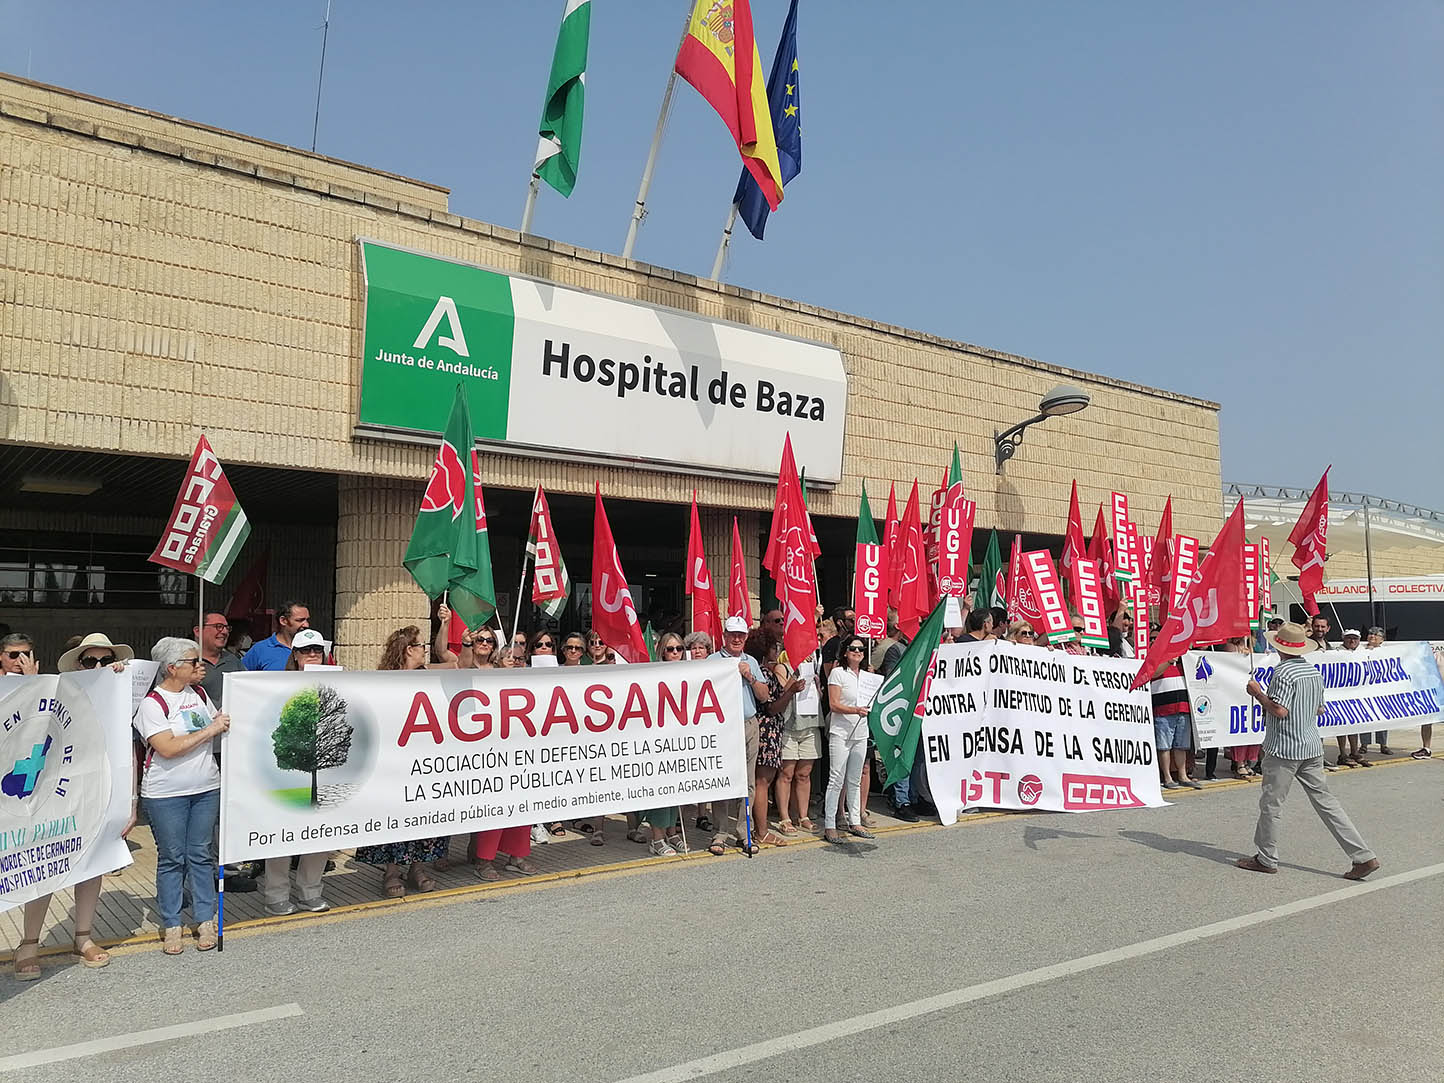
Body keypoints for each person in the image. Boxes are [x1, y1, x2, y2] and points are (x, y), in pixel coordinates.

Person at [12, 635, 131, 979]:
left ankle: (83, 937)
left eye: (105, 660)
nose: (98, 667)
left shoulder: (117, 693)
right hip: (54, 792)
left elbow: (127, 747)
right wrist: (31, 684)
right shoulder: (57, 689)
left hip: (97, 790)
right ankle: (29, 943)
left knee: (93, 864)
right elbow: (29, 730)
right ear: (78, 664)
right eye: (90, 661)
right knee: (45, 864)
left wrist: (131, 801)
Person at [1236, 622, 1380, 880]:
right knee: (1327, 803)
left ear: (1280, 647)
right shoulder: (1312, 671)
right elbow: (1319, 709)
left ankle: (1266, 857)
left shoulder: (1283, 673)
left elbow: (1280, 710)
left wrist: (1258, 694)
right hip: (1311, 745)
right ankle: (1362, 855)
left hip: (1284, 748)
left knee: (1271, 805)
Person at [134, 637, 229, 953]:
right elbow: (167, 748)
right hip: (166, 794)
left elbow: (217, 722)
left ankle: (205, 919)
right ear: (172, 667)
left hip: (205, 788)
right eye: (192, 661)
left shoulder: (199, 693)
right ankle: (172, 923)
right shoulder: (153, 704)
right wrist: (210, 730)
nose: (199, 665)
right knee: (172, 857)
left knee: (201, 854)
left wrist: (221, 722)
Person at [353, 626, 452, 897]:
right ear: (409, 649)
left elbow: (455, 664)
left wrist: (447, 626)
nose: (425, 651)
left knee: (424, 813)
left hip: (425, 757)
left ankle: (418, 868)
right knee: (395, 812)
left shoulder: (428, 676)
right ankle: (392, 870)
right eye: (421, 646)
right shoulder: (384, 681)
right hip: (394, 760)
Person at [256, 629, 337, 915]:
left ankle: (310, 891)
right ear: (295, 655)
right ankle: (275, 893)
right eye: (305, 650)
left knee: (322, 832)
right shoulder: (278, 685)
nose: (312, 655)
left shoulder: (338, 683)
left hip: (325, 769)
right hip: (289, 769)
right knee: (283, 832)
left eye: (317, 650)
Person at [707, 616, 769, 856]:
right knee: (722, 780)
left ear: (745, 637)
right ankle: (720, 832)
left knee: (747, 782)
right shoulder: (712, 661)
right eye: (732, 634)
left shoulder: (750, 661)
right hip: (722, 726)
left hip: (747, 724)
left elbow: (764, 696)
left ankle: (745, 831)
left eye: (740, 635)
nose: (736, 639)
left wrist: (750, 677)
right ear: (724, 636)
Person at [747, 628, 805, 847]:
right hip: (767, 730)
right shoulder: (765, 673)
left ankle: (755, 828)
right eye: (774, 647)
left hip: (760, 728)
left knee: (757, 782)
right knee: (762, 782)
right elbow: (772, 707)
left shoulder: (758, 671)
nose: (777, 650)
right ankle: (761, 831)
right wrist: (791, 691)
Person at [824, 634, 875, 843]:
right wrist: (855, 710)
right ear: (845, 652)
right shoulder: (838, 673)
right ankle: (830, 825)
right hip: (841, 732)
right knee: (836, 778)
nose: (857, 652)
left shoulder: (866, 676)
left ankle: (855, 821)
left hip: (860, 732)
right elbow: (834, 704)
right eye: (853, 648)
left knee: (854, 778)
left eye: (860, 649)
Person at [1150, 659, 1201, 789]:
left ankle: (1183, 775)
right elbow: (1153, 673)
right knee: (1164, 746)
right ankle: (1167, 777)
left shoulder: (1185, 661)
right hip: (1163, 709)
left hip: (1183, 708)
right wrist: (1168, 661)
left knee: (1181, 746)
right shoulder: (1157, 656)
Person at [1222, 637, 1260, 779]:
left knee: (1252, 728)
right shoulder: (1230, 646)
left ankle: (1248, 761)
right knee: (1240, 727)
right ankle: (1239, 763)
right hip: (1237, 693)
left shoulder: (1254, 644)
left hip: (1253, 693)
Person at [241, 601, 311, 671]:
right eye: (300, 620)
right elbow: (241, 675)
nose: (306, 625)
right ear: (283, 620)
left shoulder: (314, 648)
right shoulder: (260, 650)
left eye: (307, 620)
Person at [192, 612, 243, 704]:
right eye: (218, 626)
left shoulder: (233, 660)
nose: (225, 632)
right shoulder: (184, 662)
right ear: (197, 631)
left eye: (227, 628)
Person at [1357, 627, 1391, 755]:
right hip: (1364, 689)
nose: (1373, 636)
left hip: (1380, 690)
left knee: (1383, 716)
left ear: (1382, 639)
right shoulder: (1360, 650)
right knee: (1365, 716)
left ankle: (1383, 744)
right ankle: (1364, 744)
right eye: (1371, 634)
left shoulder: (1386, 652)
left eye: (1376, 635)